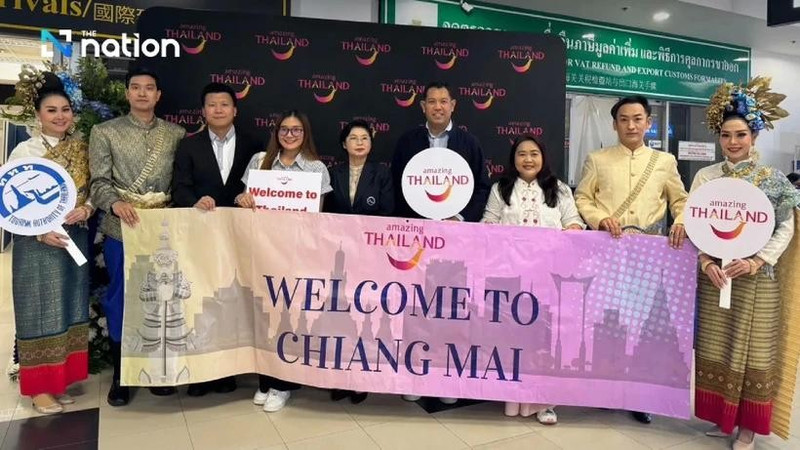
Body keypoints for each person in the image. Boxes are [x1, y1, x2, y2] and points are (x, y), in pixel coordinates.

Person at [693, 77, 799, 450]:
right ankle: (723, 418)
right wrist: (706, 262)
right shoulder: (706, 176)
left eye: (740, 135)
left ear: (754, 136)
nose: (733, 142)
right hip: (717, 277)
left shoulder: (773, 180)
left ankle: (748, 428)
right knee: (716, 346)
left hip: (756, 279)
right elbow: (696, 225)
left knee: (753, 349)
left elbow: (785, 228)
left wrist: (757, 261)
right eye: (726, 135)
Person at [574, 95, 689, 424]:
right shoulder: (597, 159)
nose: (631, 125)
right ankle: (607, 389)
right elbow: (582, 197)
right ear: (614, 124)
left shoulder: (664, 161)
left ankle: (641, 396)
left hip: (650, 252)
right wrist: (599, 219)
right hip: (609, 249)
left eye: (638, 119)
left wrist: (681, 222)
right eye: (624, 119)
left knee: (646, 324)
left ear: (649, 122)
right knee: (610, 320)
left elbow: (680, 201)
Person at [89, 67, 186, 406]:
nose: (142, 93)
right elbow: (98, 182)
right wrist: (114, 203)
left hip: (163, 230)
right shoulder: (105, 132)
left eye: (149, 88)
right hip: (122, 228)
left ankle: (157, 370)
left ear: (158, 95)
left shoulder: (176, 133)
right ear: (127, 93)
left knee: (163, 298)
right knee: (121, 299)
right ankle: (122, 375)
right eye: (136, 87)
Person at [391, 81, 490, 405]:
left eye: (443, 101)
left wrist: (459, 219)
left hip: (455, 242)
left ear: (453, 105)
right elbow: (397, 186)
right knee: (415, 306)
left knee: (450, 308)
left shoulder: (469, 143)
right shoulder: (408, 141)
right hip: (417, 240)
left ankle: (446, 378)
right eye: (431, 101)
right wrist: (415, 222)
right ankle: (415, 374)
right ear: (422, 106)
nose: (437, 106)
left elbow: (482, 188)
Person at [482, 134, 583, 425]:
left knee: (544, 340)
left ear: (543, 157)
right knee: (513, 339)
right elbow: (488, 223)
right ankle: (512, 398)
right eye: (522, 154)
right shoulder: (501, 188)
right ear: (513, 159)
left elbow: (573, 221)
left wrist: (573, 231)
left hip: (547, 278)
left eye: (534, 153)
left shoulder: (559, 189)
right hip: (511, 277)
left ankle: (545, 403)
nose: (528, 159)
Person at [8, 74, 94, 414]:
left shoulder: (81, 147)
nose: (60, 116)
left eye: (65, 109)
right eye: (51, 110)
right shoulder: (25, 151)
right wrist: (40, 232)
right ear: (38, 114)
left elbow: (92, 189)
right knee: (39, 309)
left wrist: (88, 208)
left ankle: (60, 381)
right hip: (38, 243)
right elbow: (9, 202)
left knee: (70, 304)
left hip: (75, 236)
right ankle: (39, 388)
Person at [237, 110, 332, 412]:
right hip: (262, 250)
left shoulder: (316, 168)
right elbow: (244, 199)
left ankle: (284, 385)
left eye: (296, 130)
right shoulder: (259, 161)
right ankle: (266, 380)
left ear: (305, 134)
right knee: (264, 315)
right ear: (276, 132)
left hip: (295, 254)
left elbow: (316, 215)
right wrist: (241, 199)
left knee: (288, 318)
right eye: (284, 130)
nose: (290, 135)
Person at [172, 82, 261, 396]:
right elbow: (179, 187)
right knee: (201, 302)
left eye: (224, 104)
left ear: (235, 110)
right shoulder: (188, 145)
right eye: (212, 105)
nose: (218, 110)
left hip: (240, 238)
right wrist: (194, 201)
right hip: (201, 237)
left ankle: (228, 372)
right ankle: (201, 374)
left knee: (233, 302)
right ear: (203, 111)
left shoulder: (255, 145)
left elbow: (260, 187)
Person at [323, 119, 394, 405]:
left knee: (364, 317)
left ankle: (360, 380)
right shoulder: (332, 174)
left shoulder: (382, 174)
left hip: (369, 257)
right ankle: (339, 378)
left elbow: (387, 214)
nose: (360, 142)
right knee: (339, 317)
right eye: (354, 138)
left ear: (371, 143)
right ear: (344, 143)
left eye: (365, 138)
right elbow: (324, 215)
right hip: (338, 256)